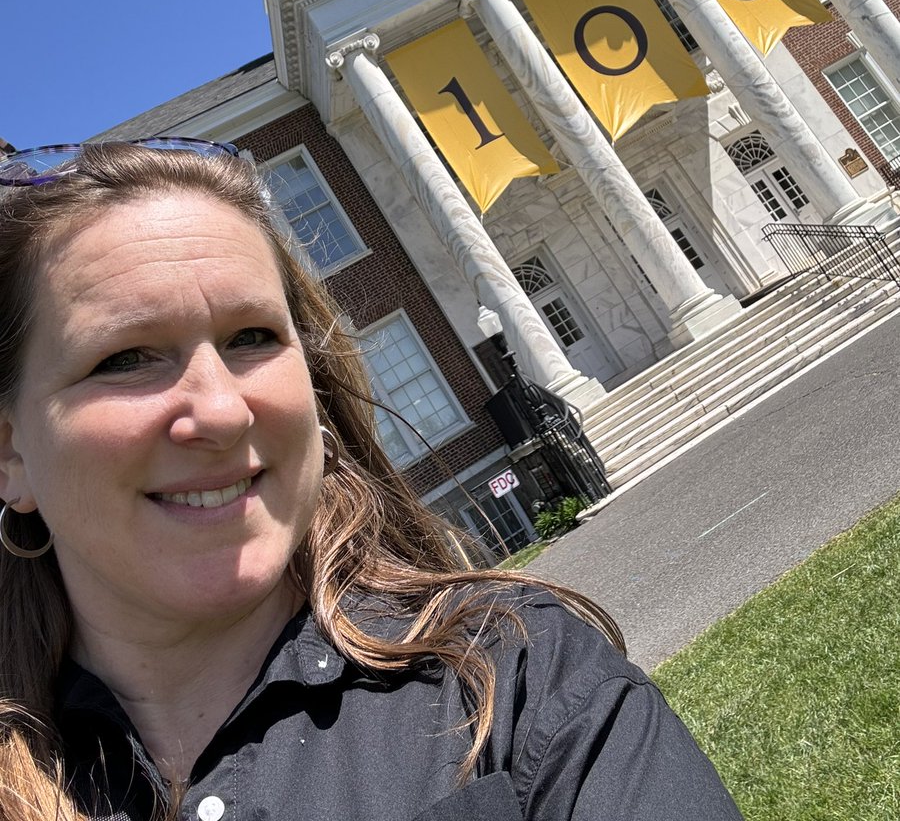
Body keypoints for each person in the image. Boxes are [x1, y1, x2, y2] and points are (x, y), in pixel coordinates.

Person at [0, 138, 744, 821]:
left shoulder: (517, 678)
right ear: (10, 453)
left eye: (252, 338)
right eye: (127, 358)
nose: (223, 412)